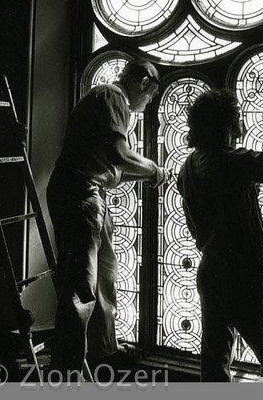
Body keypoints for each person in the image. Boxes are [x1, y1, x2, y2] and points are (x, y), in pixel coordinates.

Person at [47, 59, 170, 380]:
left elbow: (109, 166)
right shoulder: (113, 96)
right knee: (81, 288)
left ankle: (103, 352)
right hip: (79, 194)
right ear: (145, 83)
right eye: (153, 94)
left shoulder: (107, 101)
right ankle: (67, 373)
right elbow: (119, 154)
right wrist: (154, 170)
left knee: (104, 277)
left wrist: (145, 175)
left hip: (89, 191)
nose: (151, 101)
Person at [177, 89, 263, 381]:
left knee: (215, 368)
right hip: (245, 278)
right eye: (238, 118)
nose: (244, 126)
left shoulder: (187, 167)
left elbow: (196, 225)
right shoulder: (233, 161)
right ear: (226, 124)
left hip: (211, 271)